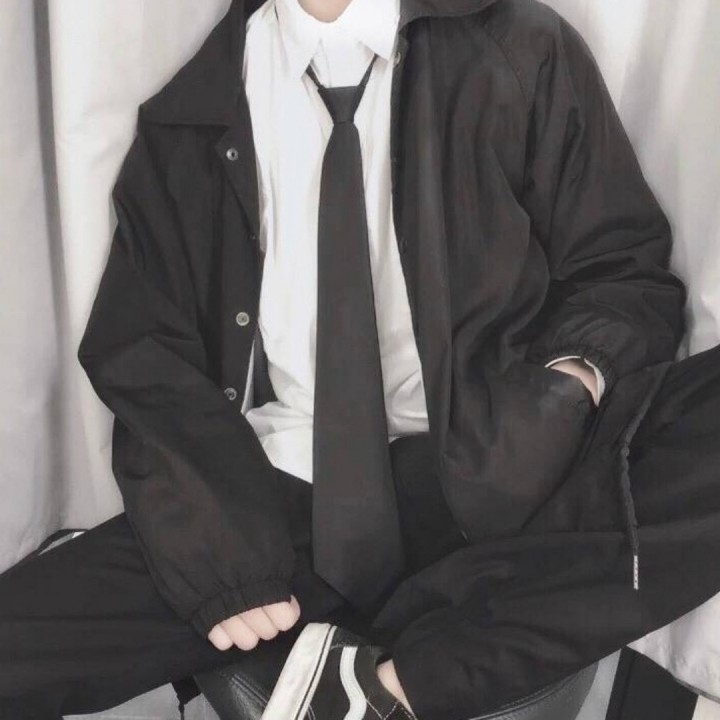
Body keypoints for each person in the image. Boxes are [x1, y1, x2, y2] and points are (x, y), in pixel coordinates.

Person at [3, 0, 720, 718]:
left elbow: (623, 269)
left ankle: (380, 690)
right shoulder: (191, 114)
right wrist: (221, 550)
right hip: (279, 499)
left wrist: (564, 388)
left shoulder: (520, 48)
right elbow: (142, 354)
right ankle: (449, 648)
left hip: (494, 466)